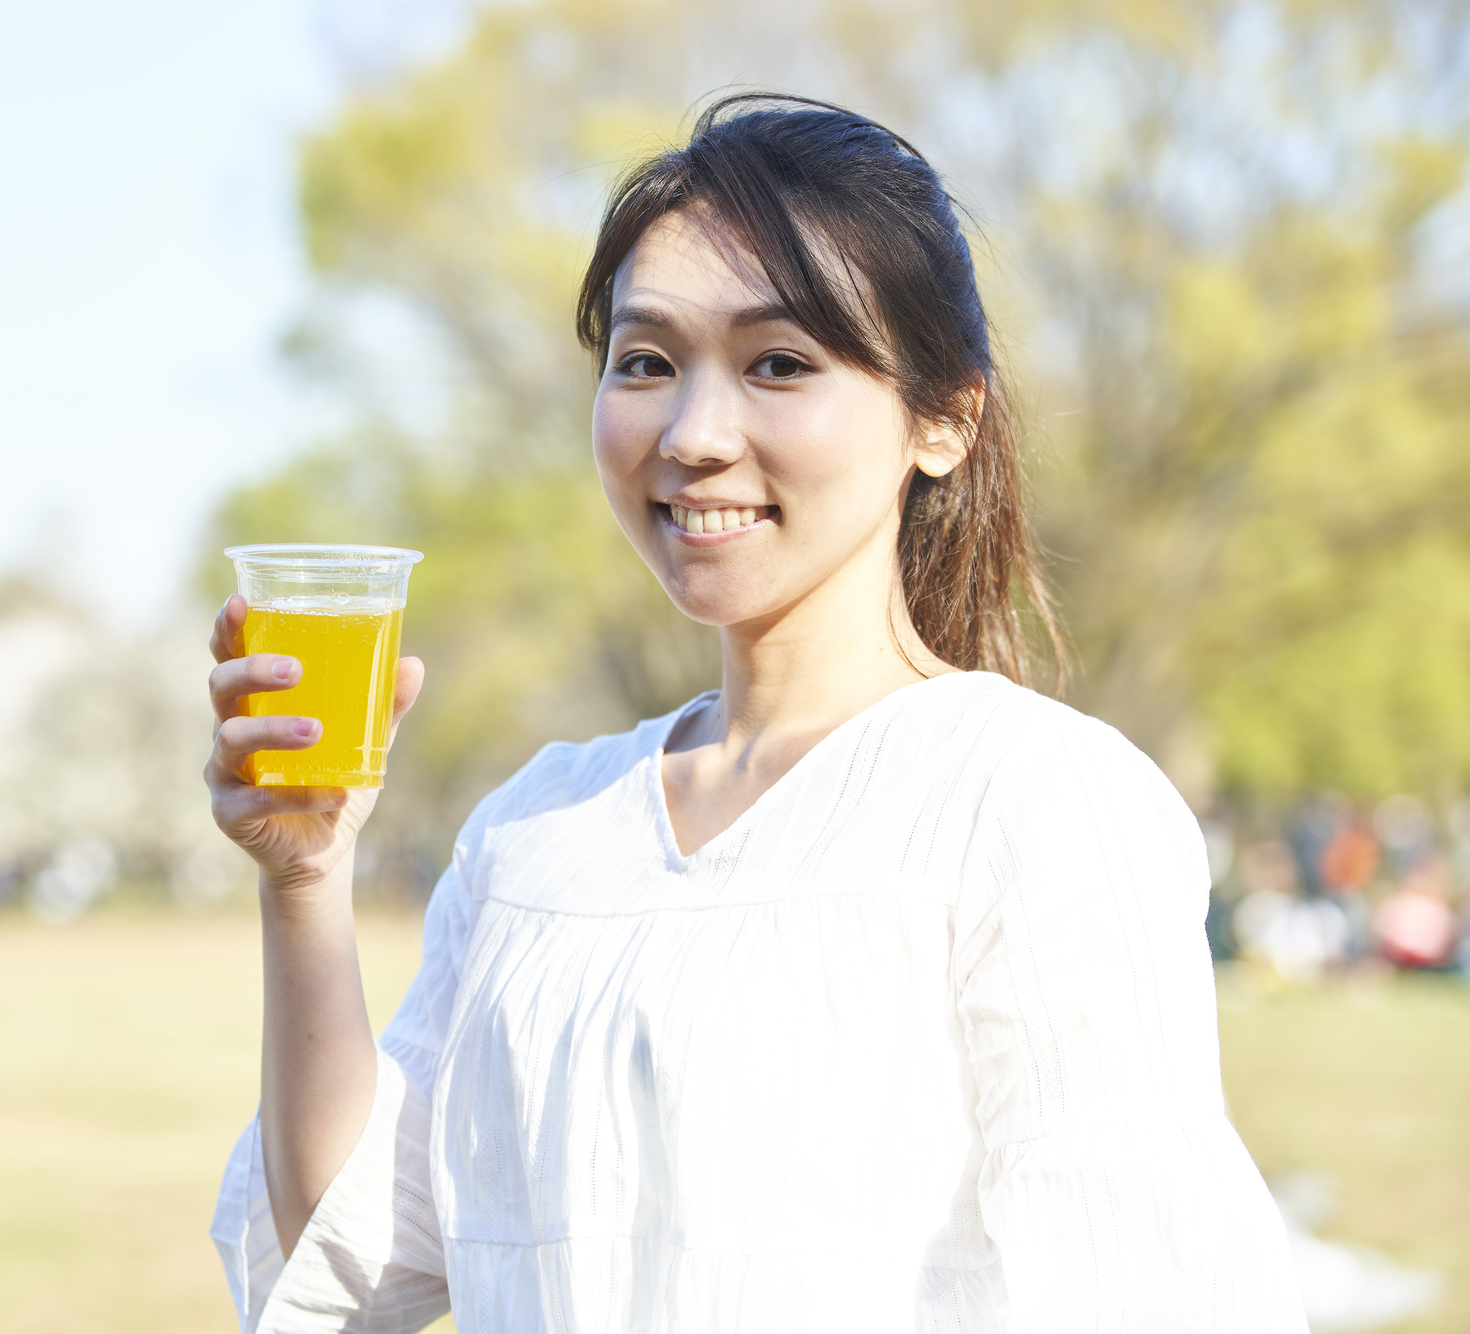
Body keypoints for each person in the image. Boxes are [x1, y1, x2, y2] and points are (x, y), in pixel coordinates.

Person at [204, 94, 1305, 1333]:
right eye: (645, 362)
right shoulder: (538, 829)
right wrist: (304, 879)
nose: (691, 433)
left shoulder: (1028, 798)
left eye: (777, 362)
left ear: (943, 417)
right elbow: (348, 1261)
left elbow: (1146, 1292)